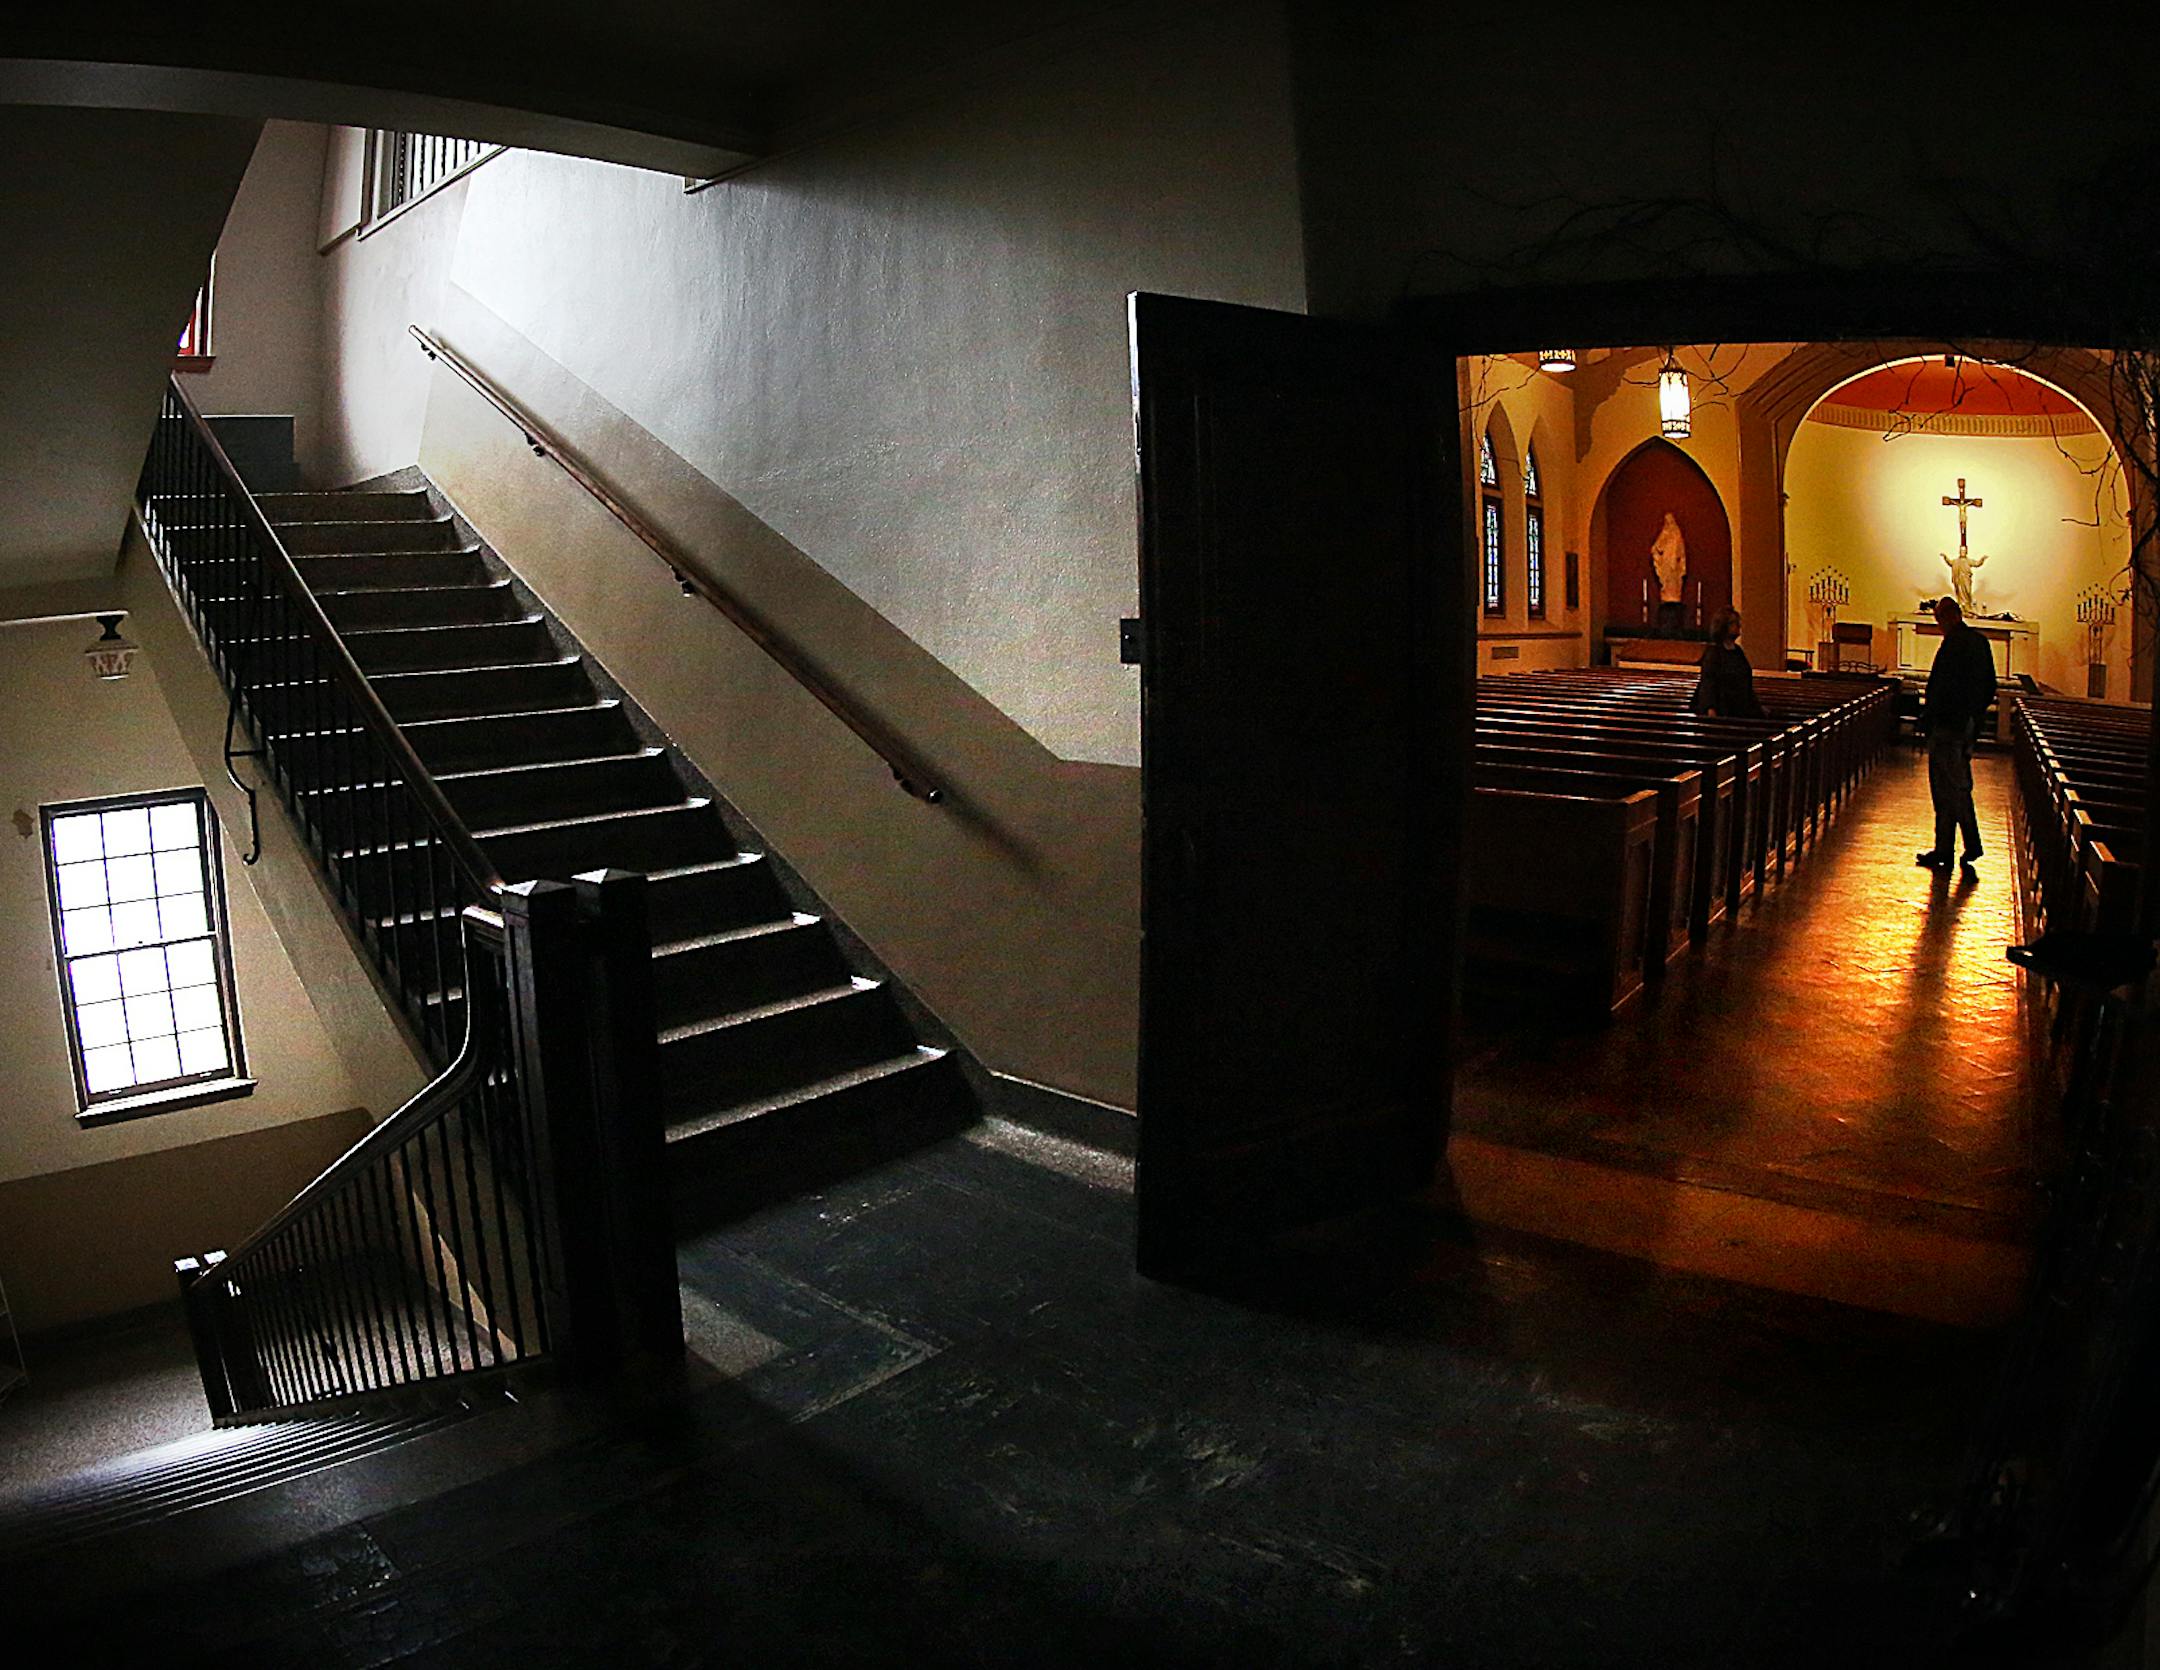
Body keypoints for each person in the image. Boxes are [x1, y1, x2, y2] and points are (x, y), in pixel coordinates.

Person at [1917, 596, 1998, 871]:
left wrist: (1933, 717)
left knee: (1952, 789)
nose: (1939, 624)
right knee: (1948, 789)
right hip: (1960, 724)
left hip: (1949, 726)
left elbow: (1944, 688)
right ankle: (1944, 849)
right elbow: (1989, 686)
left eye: (1940, 618)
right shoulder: (1978, 642)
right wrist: (1975, 720)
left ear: (1951, 616)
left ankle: (1970, 844)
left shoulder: (1956, 643)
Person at [1689, 607, 1764, 720]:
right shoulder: (1714, 652)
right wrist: (1710, 708)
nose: (1739, 626)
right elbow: (1708, 682)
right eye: (1734, 623)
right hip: (1722, 707)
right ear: (1723, 626)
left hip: (1739, 707)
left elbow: (1746, 681)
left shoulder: (1737, 651)